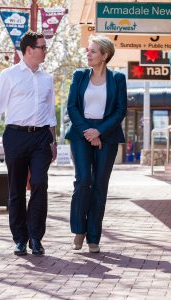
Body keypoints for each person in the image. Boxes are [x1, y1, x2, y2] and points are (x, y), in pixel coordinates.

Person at [0, 31, 57, 256]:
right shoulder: (8, 75)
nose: (46, 51)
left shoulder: (47, 78)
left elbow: (50, 112)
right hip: (15, 136)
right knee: (16, 188)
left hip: (41, 138)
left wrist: (53, 140)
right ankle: (20, 238)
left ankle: (36, 237)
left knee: (39, 183)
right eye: (42, 47)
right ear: (29, 50)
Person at [65, 36, 127, 253]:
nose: (88, 54)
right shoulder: (80, 75)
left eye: (93, 51)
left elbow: (120, 110)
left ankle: (93, 236)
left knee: (100, 185)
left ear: (105, 56)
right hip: (81, 132)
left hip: (107, 135)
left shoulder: (118, 78)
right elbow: (72, 106)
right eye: (88, 50)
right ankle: (79, 230)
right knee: (84, 180)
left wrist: (99, 131)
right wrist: (89, 132)